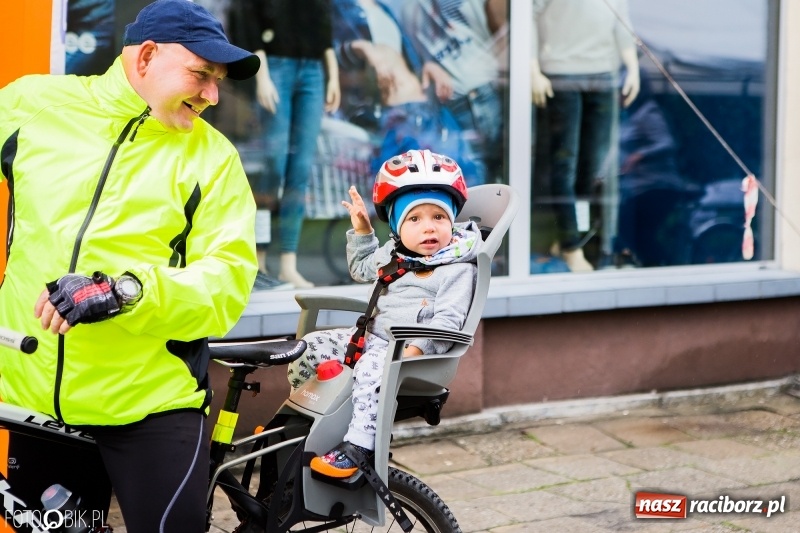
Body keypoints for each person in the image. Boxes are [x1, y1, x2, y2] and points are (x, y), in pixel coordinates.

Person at [0, 1, 260, 531]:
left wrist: (123, 291)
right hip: (35, 400)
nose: (212, 95)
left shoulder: (214, 159)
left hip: (150, 405)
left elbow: (227, 281)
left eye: (217, 81)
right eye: (201, 75)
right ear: (146, 57)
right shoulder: (32, 105)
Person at [287, 149, 481, 477]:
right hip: (370, 339)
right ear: (396, 226)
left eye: (439, 217)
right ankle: (304, 419)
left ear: (452, 221)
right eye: (414, 219)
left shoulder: (458, 269)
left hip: (410, 353)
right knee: (309, 347)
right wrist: (363, 231)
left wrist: (411, 353)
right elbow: (362, 269)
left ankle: (360, 446)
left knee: (372, 371)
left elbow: (448, 323)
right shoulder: (395, 254)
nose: (428, 228)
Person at [229, 0, 341, 290]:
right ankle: (259, 258)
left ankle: (288, 263)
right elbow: (250, 18)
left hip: (313, 70)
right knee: (275, 164)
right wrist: (262, 75)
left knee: (300, 168)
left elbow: (322, 25)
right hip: (275, 65)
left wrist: (333, 76)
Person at [531, 0, 639, 272]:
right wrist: (532, 69)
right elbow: (527, 17)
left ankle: (571, 237)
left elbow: (621, 21)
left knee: (591, 168)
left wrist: (632, 67)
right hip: (560, 74)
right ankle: (571, 246)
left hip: (603, 75)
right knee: (564, 164)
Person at [331, 0, 483, 185]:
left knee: (463, 178)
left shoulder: (385, 8)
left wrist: (428, 66)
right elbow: (329, 63)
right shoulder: (339, 8)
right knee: (415, 187)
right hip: (396, 117)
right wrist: (361, 48)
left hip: (426, 107)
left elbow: (403, 59)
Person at [400, 0, 505, 183]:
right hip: (454, 99)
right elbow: (411, 58)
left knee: (500, 166)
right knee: (473, 172)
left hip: (487, 85)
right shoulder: (405, 9)